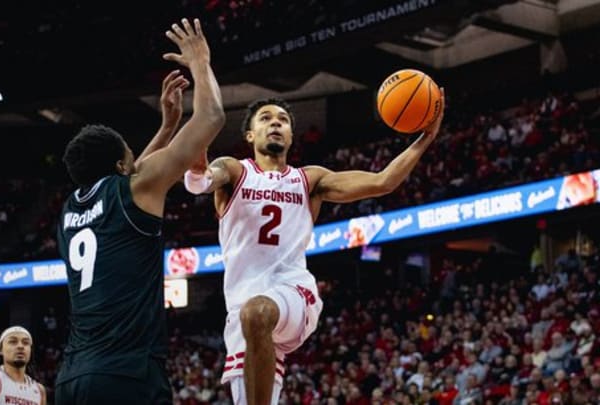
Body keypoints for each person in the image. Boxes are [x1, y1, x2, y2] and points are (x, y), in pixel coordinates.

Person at [184, 93, 445, 404]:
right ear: (250, 135)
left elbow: (383, 182)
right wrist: (199, 136)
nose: (276, 123)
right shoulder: (235, 171)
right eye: (266, 118)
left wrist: (425, 139)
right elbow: (198, 182)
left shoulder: (309, 180)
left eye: (282, 120)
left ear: (292, 135)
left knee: (258, 312)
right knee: (252, 333)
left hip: (294, 292)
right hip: (242, 308)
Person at [54, 18, 225, 405]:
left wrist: (166, 128)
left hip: (71, 379)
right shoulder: (132, 186)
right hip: (127, 374)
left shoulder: (68, 211)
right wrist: (200, 62)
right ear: (120, 165)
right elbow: (212, 118)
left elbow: (134, 176)